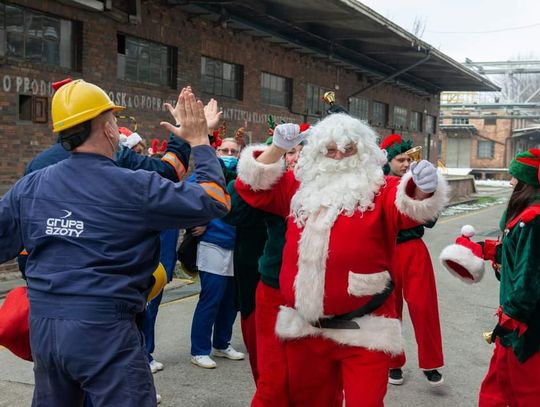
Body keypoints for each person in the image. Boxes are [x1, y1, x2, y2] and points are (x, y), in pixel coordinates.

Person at [0, 80, 230, 407]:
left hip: (44, 330)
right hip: (103, 330)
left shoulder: (32, 185)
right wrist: (199, 141)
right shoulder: (133, 186)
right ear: (109, 130)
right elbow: (214, 200)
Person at [235, 113, 449, 406]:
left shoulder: (381, 188)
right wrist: (277, 149)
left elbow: (409, 208)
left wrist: (422, 189)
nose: (338, 157)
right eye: (330, 150)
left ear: (362, 152)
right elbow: (251, 187)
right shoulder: (297, 187)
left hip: (365, 329)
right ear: (318, 152)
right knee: (309, 401)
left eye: (347, 150)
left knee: (365, 401)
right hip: (307, 328)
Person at [442, 148, 540, 406]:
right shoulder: (525, 218)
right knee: (496, 389)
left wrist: (513, 316)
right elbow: (514, 252)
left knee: (525, 392)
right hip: (512, 321)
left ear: (526, 182)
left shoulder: (534, 220)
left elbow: (529, 276)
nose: (510, 182)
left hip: (525, 327)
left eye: (514, 178)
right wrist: (482, 250)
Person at [380, 134, 444, 386]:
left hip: (413, 249)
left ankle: (431, 362)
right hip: (385, 251)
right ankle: (393, 362)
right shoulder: (378, 184)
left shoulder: (418, 182)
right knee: (388, 310)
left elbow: (431, 219)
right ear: (388, 161)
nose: (406, 164)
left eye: (408, 159)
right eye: (400, 160)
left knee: (424, 306)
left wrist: (424, 190)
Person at [190, 137, 245, 369]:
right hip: (213, 243)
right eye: (225, 150)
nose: (229, 154)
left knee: (231, 302)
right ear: (217, 151)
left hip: (238, 247)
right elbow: (187, 196)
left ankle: (222, 343)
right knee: (211, 298)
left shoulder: (245, 176)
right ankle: (199, 350)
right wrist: (199, 221)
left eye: (234, 150)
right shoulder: (206, 174)